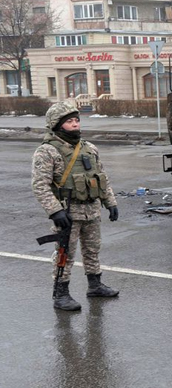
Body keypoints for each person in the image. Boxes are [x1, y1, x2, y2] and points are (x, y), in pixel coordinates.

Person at [32, 101, 120, 311]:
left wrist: (110, 202)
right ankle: (61, 294)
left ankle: (95, 285)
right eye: (69, 121)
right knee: (65, 254)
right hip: (68, 213)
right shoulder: (47, 151)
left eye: (76, 121)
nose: (74, 125)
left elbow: (102, 178)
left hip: (91, 210)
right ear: (56, 125)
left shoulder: (89, 148)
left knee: (92, 250)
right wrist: (55, 210)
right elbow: (39, 185)